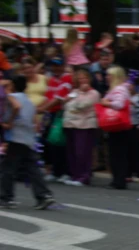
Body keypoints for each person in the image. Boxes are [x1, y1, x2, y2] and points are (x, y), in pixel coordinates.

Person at [0, 76, 56, 210]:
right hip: (28, 138)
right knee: (32, 168)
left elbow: (16, 107)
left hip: (15, 136)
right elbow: (34, 120)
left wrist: (8, 122)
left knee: (8, 168)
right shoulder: (29, 101)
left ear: (13, 85)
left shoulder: (11, 97)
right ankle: (44, 195)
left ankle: (6, 198)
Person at [37, 57, 73, 183]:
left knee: (60, 143)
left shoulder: (67, 78)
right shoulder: (52, 80)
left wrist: (41, 110)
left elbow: (58, 99)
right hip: (51, 115)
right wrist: (37, 109)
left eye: (58, 65)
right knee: (50, 143)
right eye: (53, 66)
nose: (56, 68)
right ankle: (55, 170)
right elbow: (48, 97)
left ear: (63, 66)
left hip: (61, 114)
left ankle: (64, 171)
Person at [62, 68, 100, 186]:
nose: (82, 80)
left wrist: (79, 95)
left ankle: (84, 176)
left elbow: (81, 106)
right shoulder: (74, 91)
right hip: (70, 125)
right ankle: (75, 175)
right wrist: (69, 100)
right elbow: (65, 105)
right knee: (72, 152)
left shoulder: (93, 93)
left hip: (85, 126)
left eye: (84, 78)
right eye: (79, 78)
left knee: (82, 152)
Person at [102, 66, 132, 190]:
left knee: (118, 153)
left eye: (109, 75)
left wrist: (106, 103)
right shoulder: (116, 88)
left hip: (119, 126)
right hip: (116, 126)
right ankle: (117, 178)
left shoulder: (119, 89)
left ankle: (119, 180)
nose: (106, 77)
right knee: (115, 153)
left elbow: (119, 104)